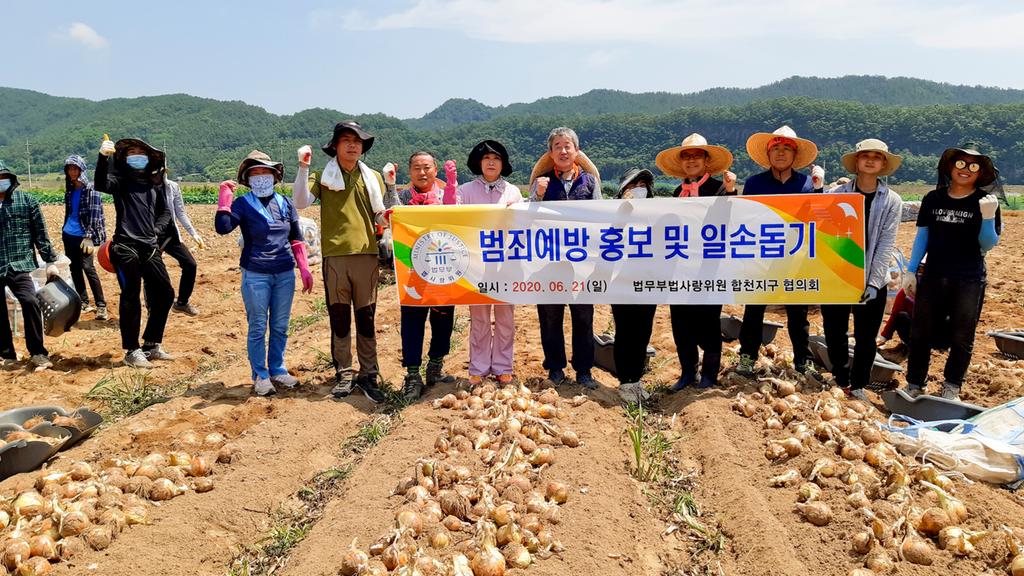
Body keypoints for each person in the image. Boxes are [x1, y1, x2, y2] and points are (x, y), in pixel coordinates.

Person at [293, 121, 388, 403]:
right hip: (335, 256)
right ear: (335, 146)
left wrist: (391, 203)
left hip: (366, 255)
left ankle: (369, 373)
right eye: (346, 140)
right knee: (339, 316)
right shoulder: (322, 176)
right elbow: (300, 202)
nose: (352, 145)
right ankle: (344, 372)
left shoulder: (372, 178)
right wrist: (302, 167)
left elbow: (379, 215)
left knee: (367, 316)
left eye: (357, 141)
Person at [902, 143, 1002, 401]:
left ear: (980, 172)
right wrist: (911, 271)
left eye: (973, 165)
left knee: (962, 335)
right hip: (934, 274)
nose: (965, 170)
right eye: (960, 163)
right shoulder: (933, 199)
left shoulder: (986, 202)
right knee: (920, 332)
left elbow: (987, 245)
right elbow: (922, 237)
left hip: (968, 278)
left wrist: (988, 218)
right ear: (950, 167)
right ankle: (914, 383)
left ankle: (952, 386)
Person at [216, 151, 313, 396]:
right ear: (247, 179)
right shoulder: (243, 204)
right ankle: (260, 374)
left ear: (274, 175)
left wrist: (303, 266)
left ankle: (277, 368)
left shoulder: (285, 203)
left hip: (284, 273)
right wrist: (224, 202)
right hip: (256, 273)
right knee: (258, 326)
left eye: (265, 172)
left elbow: (295, 237)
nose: (260, 176)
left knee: (280, 325)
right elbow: (223, 228)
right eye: (255, 173)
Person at [820, 139, 903, 401]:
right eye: (864, 156)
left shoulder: (891, 201)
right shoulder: (834, 196)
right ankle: (840, 377)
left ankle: (859, 384)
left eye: (876, 157)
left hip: (872, 278)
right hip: (838, 276)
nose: (869, 160)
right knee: (834, 331)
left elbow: (885, 244)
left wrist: (872, 282)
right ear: (856, 162)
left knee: (866, 337)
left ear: (883, 164)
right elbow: (824, 237)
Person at [736, 126, 821, 380]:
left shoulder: (807, 184)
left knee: (798, 315)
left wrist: (819, 191)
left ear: (795, 155)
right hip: (762, 257)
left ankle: (804, 361)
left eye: (787, 149)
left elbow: (821, 219)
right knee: (753, 311)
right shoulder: (754, 184)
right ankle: (746, 358)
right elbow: (745, 218)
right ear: (768, 154)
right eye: (776, 149)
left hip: (798, 258)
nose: (781, 153)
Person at [654, 133, 735, 392]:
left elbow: (728, 221)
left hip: (710, 267)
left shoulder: (720, 189)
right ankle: (688, 371)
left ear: (706, 161)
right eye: (686, 156)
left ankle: (710, 374)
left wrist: (731, 193)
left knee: (709, 322)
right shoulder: (678, 192)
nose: (691, 160)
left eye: (696, 155)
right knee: (681, 322)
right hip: (680, 267)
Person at [94, 136, 176, 368]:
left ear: (149, 158)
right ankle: (132, 350)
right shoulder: (120, 182)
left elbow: (165, 213)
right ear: (124, 159)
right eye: (132, 154)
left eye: (141, 153)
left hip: (149, 247)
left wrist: (156, 230)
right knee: (131, 296)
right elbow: (101, 184)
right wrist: (102, 158)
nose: (137, 157)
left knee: (166, 293)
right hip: (125, 246)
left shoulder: (154, 183)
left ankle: (151, 343)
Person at [529, 127, 601, 389]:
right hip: (549, 263)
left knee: (583, 316)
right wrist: (537, 195)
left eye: (567, 145)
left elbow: (600, 219)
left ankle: (584, 370)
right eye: (557, 146)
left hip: (582, 263)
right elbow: (529, 218)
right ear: (551, 153)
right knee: (550, 315)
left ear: (576, 151)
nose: (562, 150)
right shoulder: (542, 182)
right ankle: (555, 367)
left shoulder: (590, 183)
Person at [394, 151, 459, 401]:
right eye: (417, 168)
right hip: (411, 272)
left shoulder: (446, 196)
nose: (423, 173)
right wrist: (390, 185)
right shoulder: (402, 197)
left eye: (427, 168)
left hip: (443, 270)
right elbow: (389, 216)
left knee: (443, 321)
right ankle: (412, 374)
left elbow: (458, 217)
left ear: (436, 170)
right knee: (412, 322)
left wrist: (452, 184)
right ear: (410, 172)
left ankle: (435, 366)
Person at [457, 140, 522, 387]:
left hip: (506, 264)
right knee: (480, 318)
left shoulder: (513, 191)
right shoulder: (465, 191)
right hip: (476, 265)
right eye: (486, 159)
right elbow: (454, 216)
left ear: (503, 163)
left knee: (505, 317)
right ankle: (479, 367)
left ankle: (504, 366)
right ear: (479, 163)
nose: (491, 162)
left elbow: (521, 221)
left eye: (496, 158)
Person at [0, 160, 61, 368]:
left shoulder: (26, 200)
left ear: (11, 179)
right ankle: (7, 355)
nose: (1, 181)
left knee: (30, 302)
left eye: (4, 177)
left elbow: (40, 234)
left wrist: (50, 260)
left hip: (18, 263)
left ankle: (37, 352)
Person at [610, 168, 658, 403]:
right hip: (620, 280)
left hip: (649, 281)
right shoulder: (613, 212)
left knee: (643, 331)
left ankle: (636, 380)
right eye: (633, 185)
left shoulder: (657, 213)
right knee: (625, 330)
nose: (638, 189)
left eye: (642, 185)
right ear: (623, 189)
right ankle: (625, 382)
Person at [61, 155, 108, 321]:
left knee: (88, 268)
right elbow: (69, 212)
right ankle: (84, 301)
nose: (72, 172)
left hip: (83, 237)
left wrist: (89, 236)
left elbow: (94, 214)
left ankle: (101, 305)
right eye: (70, 169)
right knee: (74, 268)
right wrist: (63, 230)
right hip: (69, 235)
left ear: (81, 170)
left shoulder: (91, 189)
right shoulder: (70, 189)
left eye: (75, 169)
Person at [162, 175, 206, 316]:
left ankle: (182, 302)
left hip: (170, 234)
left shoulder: (173, 187)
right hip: (150, 236)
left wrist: (193, 233)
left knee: (190, 264)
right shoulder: (144, 185)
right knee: (152, 272)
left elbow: (180, 212)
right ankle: (153, 306)